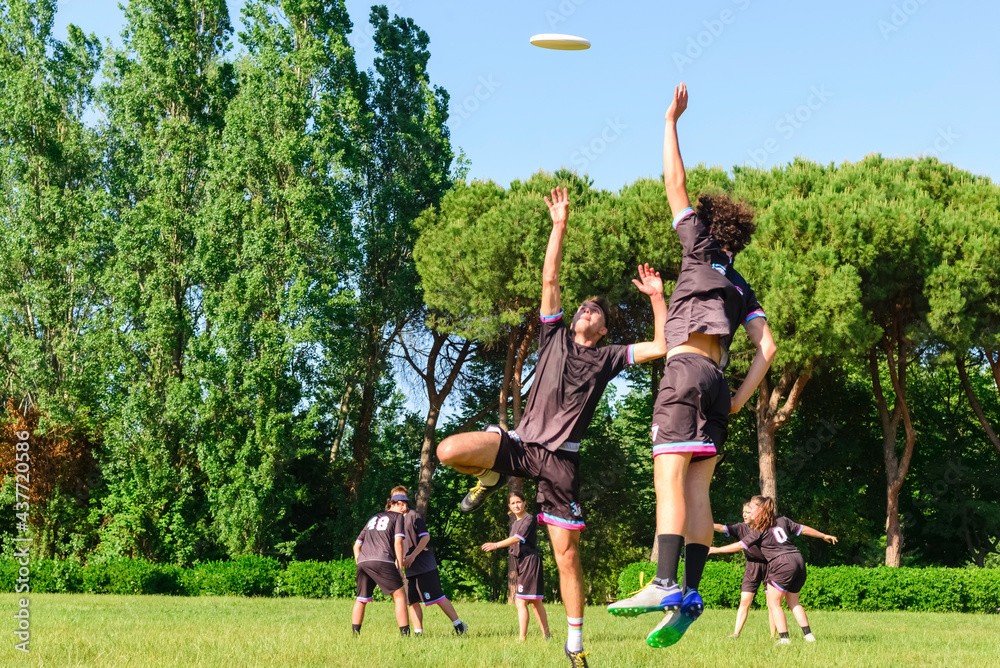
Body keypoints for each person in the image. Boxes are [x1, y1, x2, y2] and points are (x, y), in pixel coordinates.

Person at [437, 186, 668, 668]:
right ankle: (491, 474)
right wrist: (558, 226)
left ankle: (575, 646)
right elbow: (549, 280)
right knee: (447, 450)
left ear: (603, 328)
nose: (587, 311)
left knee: (566, 557)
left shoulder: (607, 357)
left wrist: (658, 297)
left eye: (596, 311)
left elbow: (662, 345)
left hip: (562, 462)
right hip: (522, 445)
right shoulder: (554, 336)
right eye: (584, 307)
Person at [607, 82, 777, 649]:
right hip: (717, 381)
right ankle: (694, 591)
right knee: (699, 489)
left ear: (708, 226)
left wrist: (669, 121)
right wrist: (736, 398)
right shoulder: (739, 281)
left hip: (682, 372)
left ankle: (662, 582)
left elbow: (673, 182)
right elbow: (769, 348)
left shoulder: (697, 245)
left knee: (668, 481)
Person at [709, 495, 838, 643]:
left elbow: (740, 546)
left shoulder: (760, 527)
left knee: (774, 604)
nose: (748, 510)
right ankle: (809, 636)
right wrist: (823, 535)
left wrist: (716, 549)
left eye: (751, 507)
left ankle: (784, 639)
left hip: (781, 563)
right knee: (794, 602)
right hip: (797, 559)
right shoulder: (783, 520)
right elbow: (804, 529)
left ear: (760, 509)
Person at [387, 486, 467, 636]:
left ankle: (459, 625)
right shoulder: (393, 520)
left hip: (424, 566)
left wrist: (412, 556)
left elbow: (426, 537)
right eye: (398, 500)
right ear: (392, 502)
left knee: (438, 596)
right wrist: (399, 562)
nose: (402, 503)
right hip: (409, 569)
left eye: (404, 499)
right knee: (412, 601)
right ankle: (418, 633)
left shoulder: (413, 516)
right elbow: (398, 544)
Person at [482, 491, 552, 641]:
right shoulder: (515, 523)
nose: (516, 505)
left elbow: (516, 539)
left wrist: (495, 545)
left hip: (530, 562)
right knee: (535, 602)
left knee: (521, 601)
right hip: (522, 563)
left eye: (519, 502)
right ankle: (547, 636)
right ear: (509, 506)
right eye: (513, 503)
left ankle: (522, 638)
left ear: (525, 503)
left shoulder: (529, 519)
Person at [712, 503, 776, 638]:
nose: (744, 515)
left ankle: (773, 636)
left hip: (770, 566)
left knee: (772, 603)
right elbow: (721, 528)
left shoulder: (767, 527)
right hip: (751, 567)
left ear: (756, 513)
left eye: (747, 512)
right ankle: (736, 633)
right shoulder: (740, 527)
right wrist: (706, 524)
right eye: (743, 512)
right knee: (745, 600)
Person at [352, 494, 410, 636]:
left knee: (361, 598)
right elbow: (398, 542)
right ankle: (406, 635)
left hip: (363, 561)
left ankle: (355, 635)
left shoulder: (373, 518)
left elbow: (356, 546)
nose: (404, 507)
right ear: (392, 504)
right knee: (400, 596)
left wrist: (360, 563)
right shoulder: (398, 518)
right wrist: (399, 567)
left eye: (406, 504)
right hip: (382, 559)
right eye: (401, 504)